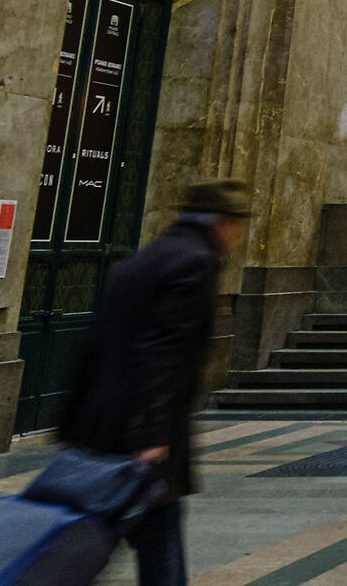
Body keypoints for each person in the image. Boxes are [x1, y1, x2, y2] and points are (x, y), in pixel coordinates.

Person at [59, 178, 250, 586]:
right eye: (238, 223)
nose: (239, 234)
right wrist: (154, 433)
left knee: (96, 535)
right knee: (158, 539)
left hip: (101, 424)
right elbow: (162, 351)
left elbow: (95, 340)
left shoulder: (145, 257)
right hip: (141, 434)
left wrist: (70, 421)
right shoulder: (196, 261)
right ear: (223, 222)